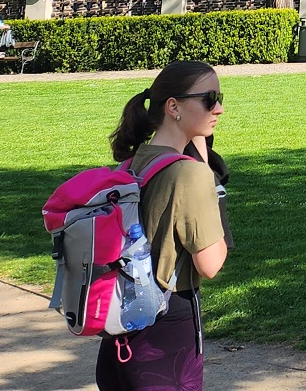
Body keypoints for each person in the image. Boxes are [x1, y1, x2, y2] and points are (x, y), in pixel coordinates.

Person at [101, 61, 229, 390]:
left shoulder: (130, 165)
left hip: (118, 336)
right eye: (209, 99)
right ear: (173, 107)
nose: (219, 109)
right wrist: (213, 189)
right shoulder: (191, 175)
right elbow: (210, 264)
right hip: (166, 340)